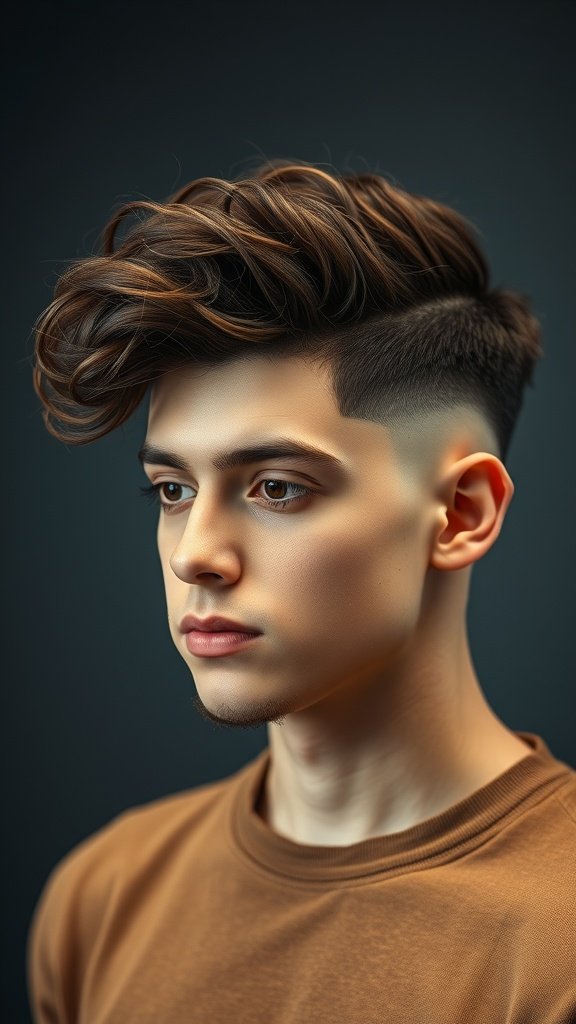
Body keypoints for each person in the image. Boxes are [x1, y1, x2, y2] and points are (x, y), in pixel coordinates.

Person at [27, 159, 576, 1023]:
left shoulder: (559, 942)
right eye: (173, 489)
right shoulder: (102, 898)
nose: (195, 555)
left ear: (461, 513)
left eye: (277, 486)